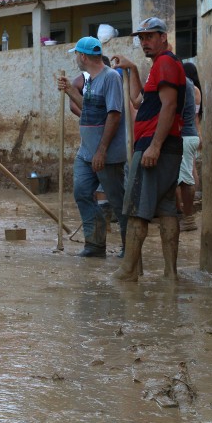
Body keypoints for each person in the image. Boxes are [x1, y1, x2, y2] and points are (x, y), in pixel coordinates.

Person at [111, 17, 186, 282]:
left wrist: (154, 145)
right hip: (167, 147)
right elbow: (138, 100)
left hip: (155, 147)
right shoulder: (162, 65)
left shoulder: (165, 63)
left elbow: (168, 106)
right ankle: (171, 274)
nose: (144, 42)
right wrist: (131, 69)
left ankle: (128, 271)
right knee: (166, 209)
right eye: (141, 38)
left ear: (164, 37)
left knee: (135, 209)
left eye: (150, 37)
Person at [58, 37, 127, 258]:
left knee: (117, 200)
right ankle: (95, 244)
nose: (76, 59)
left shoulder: (111, 78)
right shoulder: (89, 80)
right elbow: (88, 109)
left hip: (106, 154)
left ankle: (130, 248)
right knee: (82, 193)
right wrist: (70, 90)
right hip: (86, 152)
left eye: (77, 54)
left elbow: (114, 115)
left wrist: (102, 150)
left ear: (83, 56)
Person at [176, 62, 202, 231]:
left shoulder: (184, 86)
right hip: (192, 134)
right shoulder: (195, 88)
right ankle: (187, 212)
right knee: (190, 172)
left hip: (185, 135)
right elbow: (196, 116)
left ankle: (187, 216)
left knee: (183, 178)